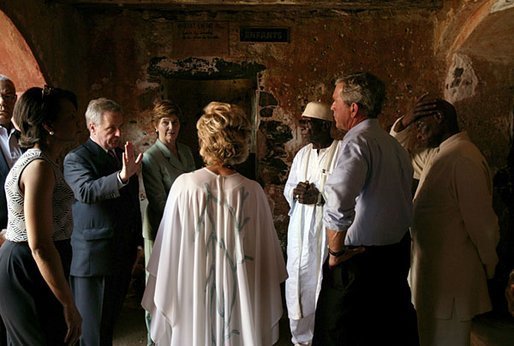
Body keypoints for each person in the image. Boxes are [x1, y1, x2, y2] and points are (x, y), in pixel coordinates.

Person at [142, 101, 287, 345]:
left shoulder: (184, 187)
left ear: (204, 141)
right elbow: (266, 264)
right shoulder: (254, 191)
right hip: (240, 296)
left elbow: (169, 256)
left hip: (193, 295)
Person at [312, 72, 419, 346]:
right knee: (386, 334)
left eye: (335, 100)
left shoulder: (357, 143)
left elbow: (338, 197)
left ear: (354, 108)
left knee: (345, 335)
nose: (332, 106)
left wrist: (335, 251)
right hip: (394, 258)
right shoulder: (394, 146)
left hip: (359, 264)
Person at [390, 97, 499, 346]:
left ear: (438, 118)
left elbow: (482, 225)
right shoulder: (438, 155)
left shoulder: (462, 159)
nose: (417, 132)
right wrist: (405, 122)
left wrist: (489, 265)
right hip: (433, 282)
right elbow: (398, 153)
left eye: (420, 124)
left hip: (451, 284)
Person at [0, 86, 82, 345]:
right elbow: (40, 245)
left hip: (38, 263)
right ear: (48, 125)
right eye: (69, 116)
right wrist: (68, 303)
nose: (77, 121)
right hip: (28, 266)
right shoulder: (39, 167)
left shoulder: (46, 161)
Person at [63, 98, 143, 345]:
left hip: (122, 255)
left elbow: (132, 205)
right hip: (93, 260)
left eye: (120, 127)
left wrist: (137, 243)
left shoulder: (122, 155)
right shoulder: (76, 158)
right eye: (111, 129)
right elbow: (86, 191)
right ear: (92, 127)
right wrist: (121, 176)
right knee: (92, 334)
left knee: (108, 328)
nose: (119, 134)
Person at [284, 101, 338, 346]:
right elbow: (288, 188)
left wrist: (321, 197)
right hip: (300, 231)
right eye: (303, 122)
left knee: (321, 285)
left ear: (326, 126)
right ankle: (300, 340)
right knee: (298, 283)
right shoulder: (302, 154)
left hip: (323, 233)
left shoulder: (341, 152)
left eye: (309, 123)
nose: (303, 128)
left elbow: (348, 195)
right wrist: (296, 192)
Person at [141, 100, 195, 345]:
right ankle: (153, 339)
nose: (171, 127)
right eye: (165, 122)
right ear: (156, 126)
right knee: (157, 287)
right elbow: (160, 201)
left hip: (188, 226)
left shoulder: (185, 151)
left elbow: (196, 188)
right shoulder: (151, 158)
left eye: (175, 122)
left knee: (180, 286)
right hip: (162, 229)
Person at [0, 75, 23, 345]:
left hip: (20, 239)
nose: (3, 101)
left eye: (9, 96)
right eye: (0, 95)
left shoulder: (22, 139)